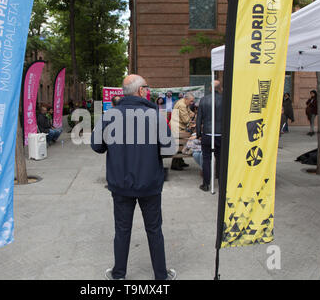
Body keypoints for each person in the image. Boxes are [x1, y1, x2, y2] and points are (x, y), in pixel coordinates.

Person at [91, 74, 176, 281]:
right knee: (154, 230)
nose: (147, 90)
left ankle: (119, 274)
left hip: (120, 185)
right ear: (140, 91)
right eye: (146, 87)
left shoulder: (110, 115)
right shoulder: (155, 115)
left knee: (122, 230)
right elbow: (168, 149)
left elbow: (97, 146)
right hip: (150, 185)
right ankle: (161, 277)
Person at [196, 80, 223, 193]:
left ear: (211, 88)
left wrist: (198, 133)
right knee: (221, 159)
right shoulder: (225, 100)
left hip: (207, 133)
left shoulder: (204, 100)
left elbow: (199, 118)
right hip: (221, 134)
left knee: (207, 159)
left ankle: (206, 184)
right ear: (220, 88)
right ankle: (222, 183)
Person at [170, 93, 195, 171]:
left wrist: (192, 115)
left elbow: (190, 113)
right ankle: (175, 164)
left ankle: (180, 161)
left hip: (180, 126)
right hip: (177, 127)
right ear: (186, 99)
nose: (192, 103)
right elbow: (186, 119)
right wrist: (192, 121)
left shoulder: (184, 102)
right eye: (191, 101)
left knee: (182, 144)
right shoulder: (182, 105)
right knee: (179, 145)